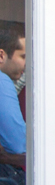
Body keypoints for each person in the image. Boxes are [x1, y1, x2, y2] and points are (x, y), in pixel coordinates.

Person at [0, 22, 26, 155]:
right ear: (1, 56)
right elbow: (18, 144)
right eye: (23, 56)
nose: (27, 63)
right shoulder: (2, 82)